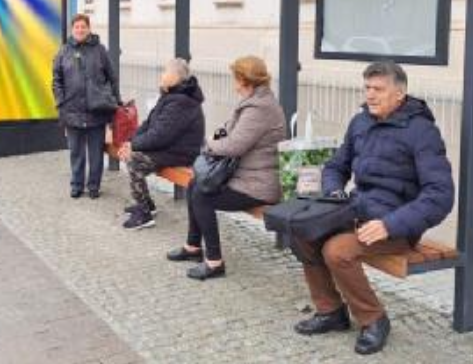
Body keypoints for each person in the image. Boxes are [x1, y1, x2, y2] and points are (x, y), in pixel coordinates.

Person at [293, 62, 454, 356]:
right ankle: (331, 311)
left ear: (400, 94)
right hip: (354, 210)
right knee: (303, 233)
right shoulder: (360, 122)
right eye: (367, 87)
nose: (370, 95)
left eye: (378, 89)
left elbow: (440, 195)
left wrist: (390, 225)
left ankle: (374, 319)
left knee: (337, 251)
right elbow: (336, 166)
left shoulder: (422, 131)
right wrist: (334, 191)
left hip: (397, 226)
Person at [167, 56, 285, 280]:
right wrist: (220, 136)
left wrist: (208, 145)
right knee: (194, 184)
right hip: (244, 178)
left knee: (202, 195)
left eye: (236, 79)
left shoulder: (260, 108)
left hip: (258, 186)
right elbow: (231, 132)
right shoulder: (255, 102)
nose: (234, 84)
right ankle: (193, 247)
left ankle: (214, 262)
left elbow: (235, 146)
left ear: (244, 80)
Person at [119, 58, 204, 230]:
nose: (162, 75)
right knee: (132, 153)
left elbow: (160, 136)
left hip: (181, 152)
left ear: (176, 77)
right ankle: (148, 205)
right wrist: (130, 141)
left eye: (165, 71)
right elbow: (148, 124)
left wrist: (133, 147)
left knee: (134, 159)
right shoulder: (171, 95)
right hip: (169, 148)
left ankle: (144, 214)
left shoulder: (181, 101)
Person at [52, 14, 119, 199]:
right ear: (72, 30)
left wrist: (116, 102)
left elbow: (112, 78)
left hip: (96, 111)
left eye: (83, 26)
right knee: (76, 152)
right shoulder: (63, 51)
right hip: (72, 111)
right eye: (77, 27)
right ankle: (77, 185)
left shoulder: (100, 50)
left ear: (89, 28)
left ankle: (94, 187)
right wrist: (60, 101)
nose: (80, 30)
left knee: (96, 153)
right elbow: (56, 80)